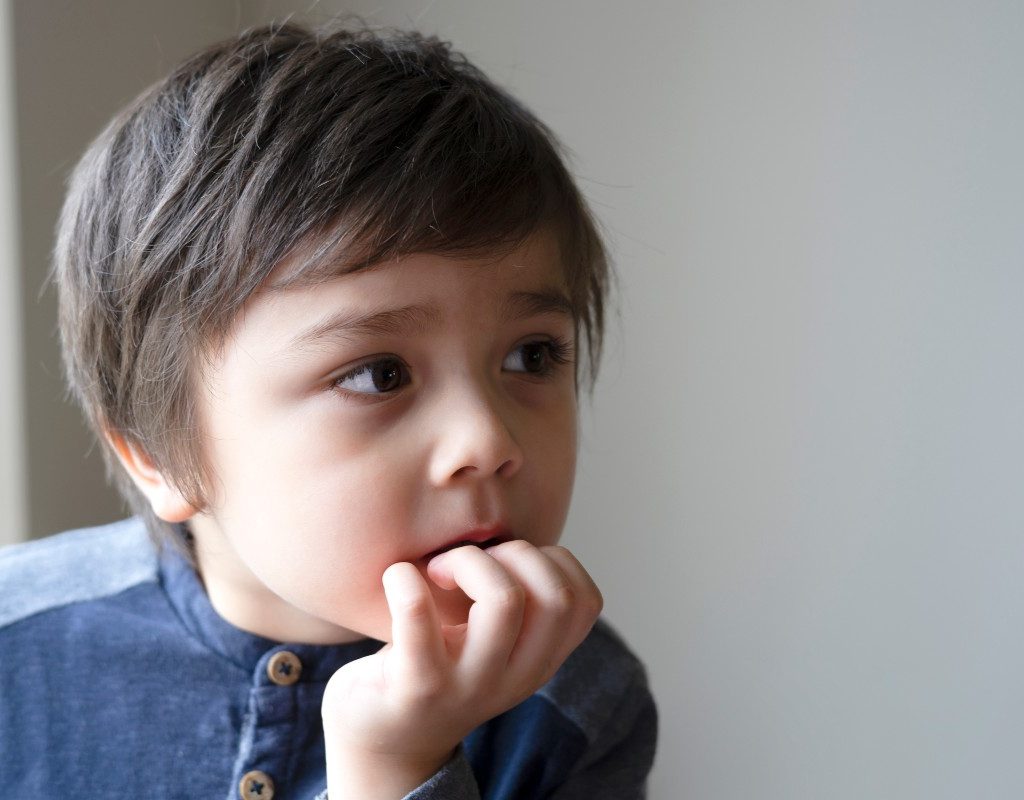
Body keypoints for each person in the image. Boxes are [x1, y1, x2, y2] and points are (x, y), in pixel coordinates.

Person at [0, 20, 657, 800]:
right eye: (379, 374)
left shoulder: (577, 702)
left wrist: (396, 769)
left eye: (531, 356)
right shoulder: (18, 651)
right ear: (158, 455)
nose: (488, 439)